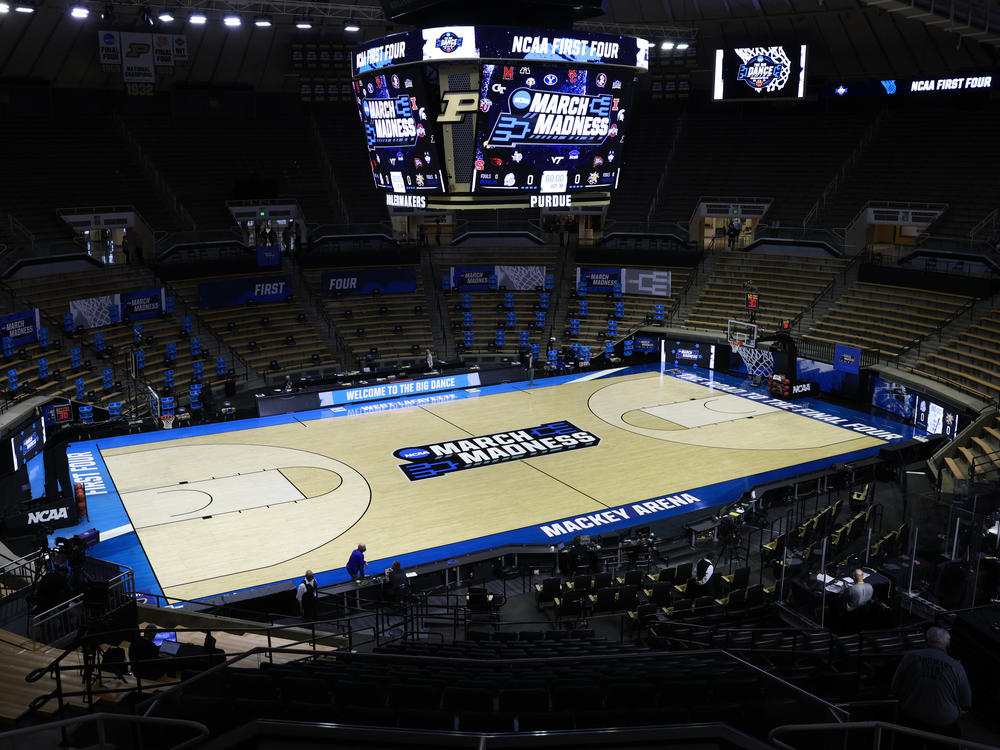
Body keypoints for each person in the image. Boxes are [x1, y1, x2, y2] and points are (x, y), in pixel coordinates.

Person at [890, 626, 971, 746]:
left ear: (926, 641)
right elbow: (966, 702)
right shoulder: (957, 667)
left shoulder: (910, 657)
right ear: (947, 646)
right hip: (943, 726)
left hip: (910, 720)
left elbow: (894, 687)